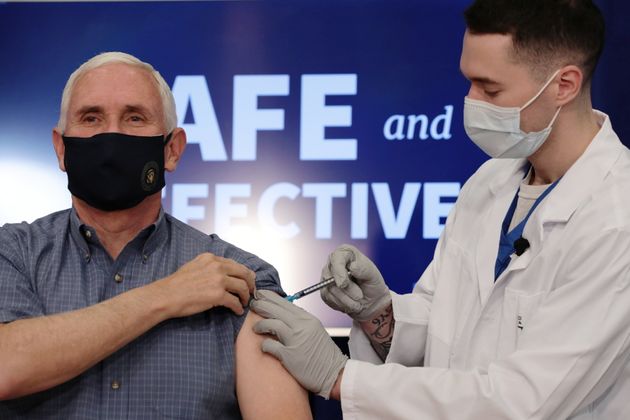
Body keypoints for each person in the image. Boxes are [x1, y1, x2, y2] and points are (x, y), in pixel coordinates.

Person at [251, 1, 630, 419]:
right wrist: (382, 315)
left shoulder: (616, 220)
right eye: (468, 82)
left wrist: (341, 377)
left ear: (565, 84)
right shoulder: (491, 182)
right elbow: (449, 326)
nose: (470, 102)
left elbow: (521, 402)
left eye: (490, 89)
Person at [0, 52, 311, 419]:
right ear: (61, 148)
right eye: (91, 118)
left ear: (172, 149)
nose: (110, 135)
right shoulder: (14, 253)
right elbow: (7, 366)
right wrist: (166, 294)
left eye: (134, 118)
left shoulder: (239, 277)